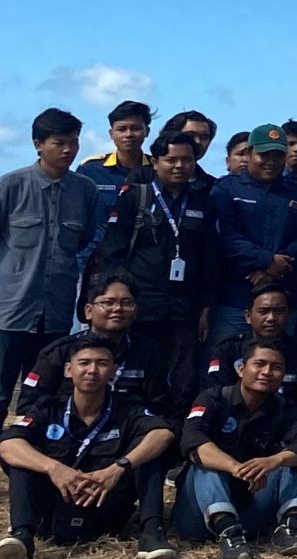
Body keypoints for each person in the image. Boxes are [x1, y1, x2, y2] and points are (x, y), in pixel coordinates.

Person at [0, 109, 105, 509]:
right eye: (59, 143)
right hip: (9, 313)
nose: (67, 150)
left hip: (56, 315)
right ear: (38, 144)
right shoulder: (9, 186)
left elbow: (86, 241)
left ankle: (36, 472)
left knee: (46, 399)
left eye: (73, 142)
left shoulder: (85, 191)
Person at [0, 333, 176, 559]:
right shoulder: (48, 408)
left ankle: (152, 534)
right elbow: (6, 445)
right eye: (84, 363)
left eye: (102, 364)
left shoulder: (127, 408)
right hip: (54, 508)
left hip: (105, 505)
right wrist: (54, 468)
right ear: (69, 370)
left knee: (147, 454)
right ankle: (22, 538)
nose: (92, 370)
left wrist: (116, 469)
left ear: (113, 371)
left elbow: (163, 433)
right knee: (23, 458)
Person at [83, 129, 216, 408]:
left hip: (184, 306)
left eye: (187, 160)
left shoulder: (203, 201)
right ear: (155, 162)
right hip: (141, 304)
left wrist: (206, 308)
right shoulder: (135, 197)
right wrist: (118, 301)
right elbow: (113, 252)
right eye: (171, 159)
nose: (179, 166)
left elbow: (208, 260)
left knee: (183, 378)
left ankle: (176, 437)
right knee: (140, 372)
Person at [176, 339, 297, 559]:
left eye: (276, 367)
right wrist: (236, 468)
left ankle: (290, 528)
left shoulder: (285, 408)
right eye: (259, 364)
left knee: (296, 458)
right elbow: (192, 440)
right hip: (200, 514)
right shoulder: (212, 398)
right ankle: (228, 532)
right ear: (241, 369)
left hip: (254, 508)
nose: (267, 372)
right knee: (205, 462)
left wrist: (273, 461)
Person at [209, 124, 297, 346]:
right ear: (249, 154)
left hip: (283, 297)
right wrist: (265, 261)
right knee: (224, 363)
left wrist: (279, 265)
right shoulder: (225, 189)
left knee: (277, 364)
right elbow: (225, 234)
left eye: (278, 155)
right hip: (233, 298)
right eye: (264, 155)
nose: (271, 161)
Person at [18, 276, 160, 413]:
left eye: (126, 303)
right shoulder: (60, 352)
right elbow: (28, 405)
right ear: (89, 311)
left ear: (135, 311)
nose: (117, 309)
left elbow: (160, 405)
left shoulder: (149, 352)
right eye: (108, 303)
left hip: (127, 432)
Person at [201, 285, 297, 426]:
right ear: (248, 316)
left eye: (279, 311)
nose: (271, 318)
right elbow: (215, 397)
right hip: (235, 429)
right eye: (263, 311)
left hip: (286, 430)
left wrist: (291, 431)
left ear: (289, 315)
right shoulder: (227, 350)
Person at [77, 100, 153, 196]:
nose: (128, 134)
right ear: (111, 134)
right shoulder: (90, 169)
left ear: (147, 132)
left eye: (135, 129)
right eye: (122, 129)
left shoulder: (158, 169)